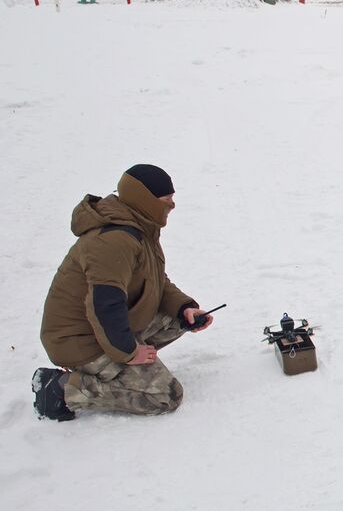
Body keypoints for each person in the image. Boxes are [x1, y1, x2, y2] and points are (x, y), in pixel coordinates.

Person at [32, 164, 214, 421]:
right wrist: (129, 352)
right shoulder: (113, 240)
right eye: (167, 200)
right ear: (145, 200)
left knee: (178, 320)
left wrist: (184, 307)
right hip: (78, 340)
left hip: (105, 327)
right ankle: (62, 389)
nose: (172, 206)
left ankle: (121, 364)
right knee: (165, 395)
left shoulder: (140, 228)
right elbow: (103, 305)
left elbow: (155, 281)